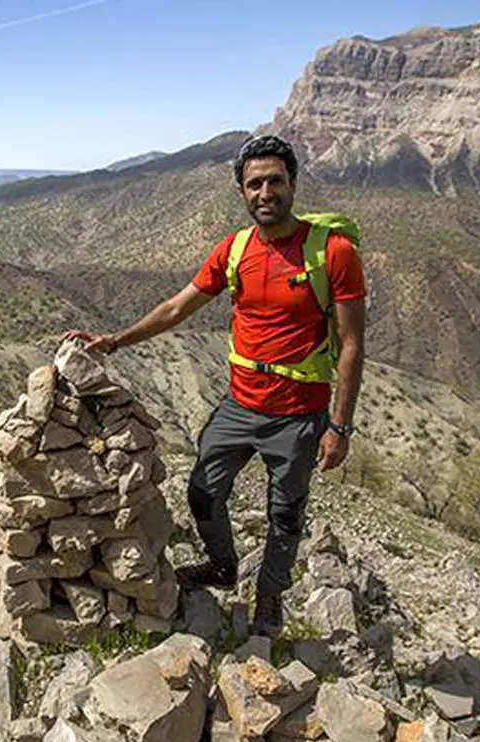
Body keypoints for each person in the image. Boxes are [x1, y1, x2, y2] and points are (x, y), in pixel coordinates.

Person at [63, 134, 367, 637]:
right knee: (203, 492)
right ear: (242, 193)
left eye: (275, 181)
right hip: (239, 404)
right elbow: (178, 307)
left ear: (293, 185)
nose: (265, 192)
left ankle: (270, 594)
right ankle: (224, 565)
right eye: (254, 184)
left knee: (285, 513)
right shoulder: (234, 250)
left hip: (298, 412)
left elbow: (353, 343)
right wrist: (115, 341)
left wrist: (340, 425)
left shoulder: (331, 252)